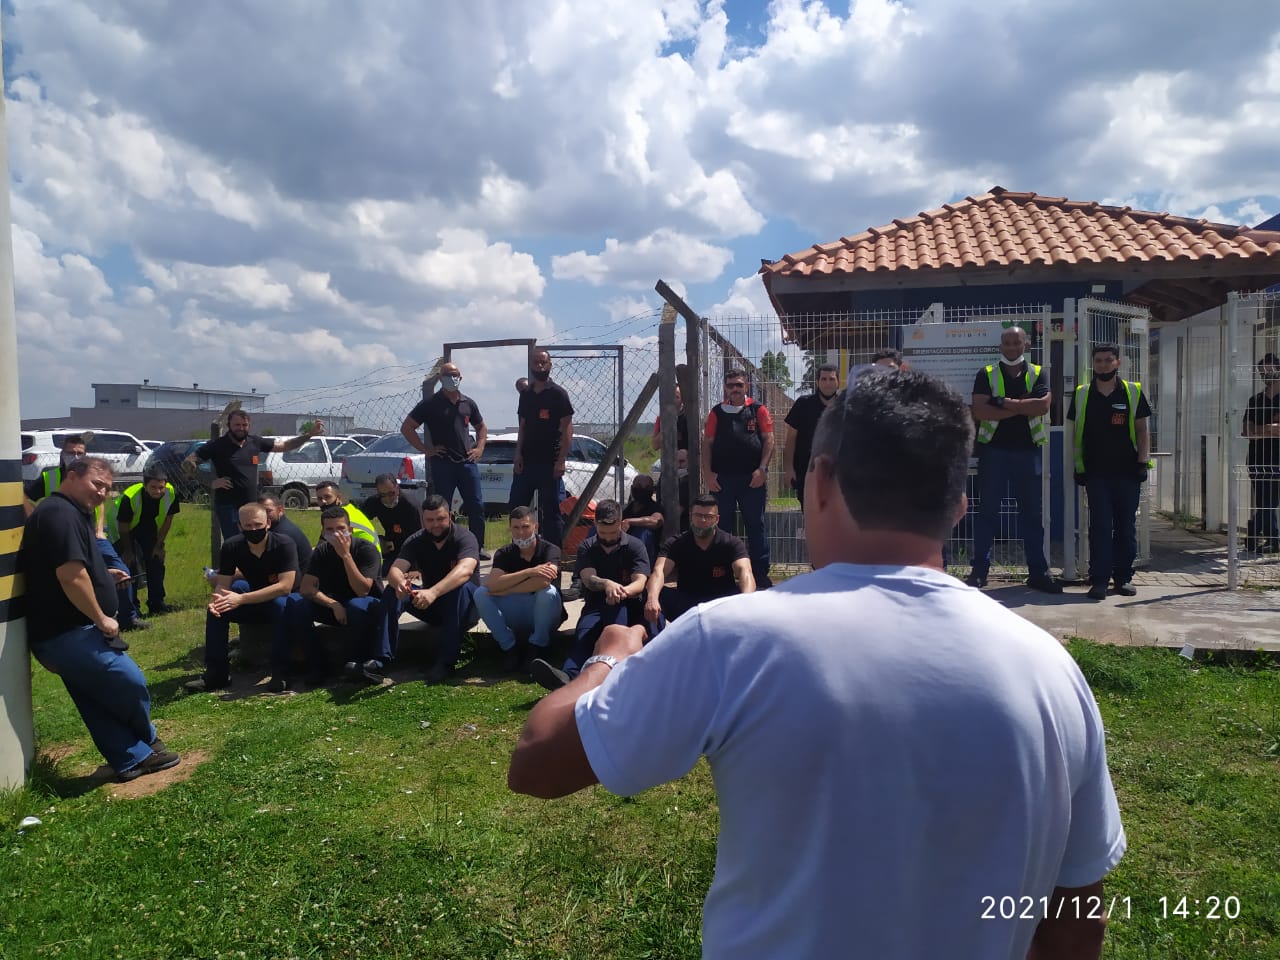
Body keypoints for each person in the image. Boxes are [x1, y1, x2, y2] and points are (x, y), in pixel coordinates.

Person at [509, 369, 1126, 960]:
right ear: (960, 504)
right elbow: (1077, 918)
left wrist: (607, 660)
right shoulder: (1050, 670)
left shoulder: (731, 639)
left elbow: (538, 762)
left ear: (821, 480)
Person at [18, 457, 180, 781]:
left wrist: (103, 574)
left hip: (65, 630)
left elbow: (69, 565)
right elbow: (69, 576)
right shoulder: (59, 514)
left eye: (107, 488)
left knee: (94, 698)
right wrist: (102, 618)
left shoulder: (72, 513)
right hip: (66, 630)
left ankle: (131, 759)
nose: (102, 493)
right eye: (96, 484)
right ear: (72, 476)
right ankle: (149, 741)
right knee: (129, 680)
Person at [967, 325, 1060, 593]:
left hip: (1027, 452)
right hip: (993, 452)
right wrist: (1022, 406)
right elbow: (980, 411)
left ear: (1026, 345)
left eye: (1016, 342)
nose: (1011, 347)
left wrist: (1002, 402)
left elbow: (1042, 407)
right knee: (987, 513)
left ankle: (1038, 573)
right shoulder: (986, 373)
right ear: (1000, 346)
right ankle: (979, 572)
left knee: (1031, 515)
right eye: (1006, 343)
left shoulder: (1039, 372)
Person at [26, 433, 144, 631]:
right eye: (70, 452)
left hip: (93, 535)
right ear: (62, 454)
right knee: (75, 571)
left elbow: (100, 502)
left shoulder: (92, 476)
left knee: (121, 570)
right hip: (66, 533)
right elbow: (23, 495)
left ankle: (128, 617)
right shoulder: (50, 479)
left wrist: (99, 529)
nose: (75, 456)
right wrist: (33, 516)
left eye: (80, 453)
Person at [529, 500, 648, 691]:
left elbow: (640, 582)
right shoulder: (587, 546)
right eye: (603, 532)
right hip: (596, 604)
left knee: (613, 636)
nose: (608, 537)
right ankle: (567, 677)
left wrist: (620, 591)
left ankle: (608, 678)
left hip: (627, 604)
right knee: (584, 636)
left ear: (621, 523)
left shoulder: (635, 546)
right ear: (595, 524)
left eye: (613, 532)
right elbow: (588, 578)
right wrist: (607, 584)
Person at [1068, 344, 1154, 601]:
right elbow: (1076, 434)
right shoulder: (1082, 394)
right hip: (1096, 474)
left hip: (1127, 473)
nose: (1103, 365)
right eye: (1099, 360)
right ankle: (1099, 581)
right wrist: (1079, 468)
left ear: (1118, 363)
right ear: (1093, 364)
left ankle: (1123, 578)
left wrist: (1142, 462)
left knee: (1125, 528)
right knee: (1100, 528)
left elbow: (1142, 430)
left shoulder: (1132, 391)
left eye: (1108, 360)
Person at [185, 503, 299, 693]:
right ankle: (217, 673)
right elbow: (223, 584)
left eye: (258, 525)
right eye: (248, 526)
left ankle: (281, 672)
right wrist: (217, 600)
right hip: (254, 597)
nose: (253, 530)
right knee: (217, 610)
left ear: (268, 523)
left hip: (283, 599)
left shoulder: (284, 544)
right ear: (240, 527)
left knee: (281, 606)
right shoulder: (231, 546)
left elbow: (285, 587)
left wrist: (241, 599)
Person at [283, 506, 389, 685]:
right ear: (323, 532)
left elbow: (362, 590)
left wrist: (346, 556)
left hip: (366, 606)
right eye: (330, 530)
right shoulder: (322, 552)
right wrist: (333, 604)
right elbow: (306, 588)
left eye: (341, 528)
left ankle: (359, 663)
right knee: (296, 602)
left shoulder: (366, 549)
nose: (336, 534)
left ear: (350, 530)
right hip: (336, 606)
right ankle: (317, 664)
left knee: (356, 605)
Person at [386, 494, 481, 683]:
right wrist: (400, 583)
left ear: (450, 516)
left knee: (460, 587)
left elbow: (466, 570)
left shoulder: (465, 537)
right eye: (429, 520)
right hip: (432, 605)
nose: (435, 524)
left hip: (465, 608)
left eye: (440, 519)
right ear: (422, 520)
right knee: (392, 591)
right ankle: (381, 658)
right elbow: (395, 570)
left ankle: (446, 662)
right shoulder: (416, 540)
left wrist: (433, 592)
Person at [185, 411, 324, 538]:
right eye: (237, 425)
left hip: (252, 505)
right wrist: (210, 481)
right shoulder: (217, 445)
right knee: (235, 544)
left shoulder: (255, 442)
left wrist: (309, 434)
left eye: (244, 425)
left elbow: (285, 446)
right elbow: (187, 463)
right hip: (228, 507)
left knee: (255, 542)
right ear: (229, 426)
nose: (241, 428)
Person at [400, 360, 489, 555]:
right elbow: (407, 427)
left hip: (467, 462)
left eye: (455, 375)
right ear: (440, 378)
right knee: (442, 508)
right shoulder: (430, 404)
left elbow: (481, 427)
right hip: (443, 463)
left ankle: (477, 546)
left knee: (476, 506)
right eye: (448, 375)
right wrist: (426, 449)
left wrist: (480, 447)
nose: (452, 378)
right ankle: (445, 545)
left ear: (460, 378)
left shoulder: (468, 403)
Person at [702, 368, 774, 587]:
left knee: (755, 525)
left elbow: (769, 439)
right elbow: (707, 444)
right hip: (722, 480)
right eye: (731, 385)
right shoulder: (716, 413)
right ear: (725, 388)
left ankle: (759, 573)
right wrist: (707, 474)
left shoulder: (758, 410)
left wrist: (762, 469)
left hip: (752, 480)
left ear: (746, 387)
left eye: (739, 385)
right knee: (721, 526)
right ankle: (721, 573)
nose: (735, 389)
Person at [473, 506, 562, 674]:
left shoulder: (550, 550)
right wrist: (529, 572)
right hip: (517, 610)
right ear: (510, 528)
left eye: (525, 527)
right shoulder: (504, 552)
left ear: (535, 526)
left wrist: (507, 589)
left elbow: (543, 581)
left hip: (545, 612)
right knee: (481, 594)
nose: (521, 532)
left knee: (547, 592)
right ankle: (509, 648)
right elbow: (492, 585)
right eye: (516, 527)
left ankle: (537, 646)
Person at [644, 494, 753, 628]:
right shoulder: (676, 543)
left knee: (748, 594)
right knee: (653, 593)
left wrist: (747, 602)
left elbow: (745, 571)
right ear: (691, 516)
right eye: (698, 515)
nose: (702, 520)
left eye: (708, 516)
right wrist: (652, 599)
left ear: (717, 519)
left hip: (721, 604)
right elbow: (659, 571)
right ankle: (659, 637)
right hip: (688, 605)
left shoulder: (731, 543)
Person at [510, 348, 574, 547]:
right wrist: (518, 455)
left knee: (551, 512)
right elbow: (522, 427)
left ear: (550, 365)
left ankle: (552, 554)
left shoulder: (558, 394)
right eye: (536, 362)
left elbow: (567, 429)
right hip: (527, 463)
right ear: (530, 366)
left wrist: (561, 460)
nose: (539, 366)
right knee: (517, 508)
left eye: (543, 362)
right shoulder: (526, 394)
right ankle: (519, 549)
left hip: (549, 464)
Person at [109, 467, 179, 616]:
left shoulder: (170, 493)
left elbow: (168, 520)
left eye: (161, 487)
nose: (158, 491)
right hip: (122, 529)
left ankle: (157, 604)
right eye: (153, 487)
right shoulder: (130, 497)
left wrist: (159, 545)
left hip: (147, 526)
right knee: (129, 565)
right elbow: (123, 527)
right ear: (145, 486)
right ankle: (133, 608)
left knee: (156, 560)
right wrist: (128, 551)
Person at [784, 363, 839, 508]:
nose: (828, 383)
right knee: (810, 516)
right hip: (807, 472)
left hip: (838, 475)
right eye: (823, 379)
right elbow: (790, 439)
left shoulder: (845, 406)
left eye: (832, 379)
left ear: (838, 382)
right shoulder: (803, 404)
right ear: (817, 382)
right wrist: (789, 468)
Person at [1243, 353, 1280, 553]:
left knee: (1270, 501)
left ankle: (1255, 532)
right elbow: (1247, 432)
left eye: (1269, 371)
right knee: (1265, 502)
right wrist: (1269, 429)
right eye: (1262, 372)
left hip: (1278, 458)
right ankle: (1272, 540)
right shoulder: (1256, 400)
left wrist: (1260, 430)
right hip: (1257, 458)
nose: (1265, 375)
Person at [360, 474, 423, 574]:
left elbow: (421, 538)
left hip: (410, 552)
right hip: (389, 550)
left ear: (397, 488)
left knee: (384, 571)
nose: (388, 498)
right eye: (383, 495)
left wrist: (416, 568)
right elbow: (359, 522)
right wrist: (377, 539)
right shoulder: (373, 503)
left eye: (391, 493)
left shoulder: (410, 506)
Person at [315, 481, 381, 556]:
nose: (323, 501)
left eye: (327, 497)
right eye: (319, 499)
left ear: (339, 498)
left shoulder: (340, 518)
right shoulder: (347, 509)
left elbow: (320, 551)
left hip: (368, 558)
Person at [258, 493, 313, 569]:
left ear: (280, 510)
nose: (264, 515)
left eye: (268, 511)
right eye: (260, 511)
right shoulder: (278, 526)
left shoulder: (282, 534)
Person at [621, 474, 663, 565]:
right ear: (632, 488)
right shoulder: (625, 509)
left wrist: (630, 522)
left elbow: (657, 521)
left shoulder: (655, 508)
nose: (642, 490)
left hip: (646, 555)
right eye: (639, 486)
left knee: (643, 532)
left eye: (647, 487)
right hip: (622, 548)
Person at [651, 384, 689, 453]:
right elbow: (655, 445)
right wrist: (667, 426)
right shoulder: (661, 418)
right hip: (668, 456)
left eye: (677, 397)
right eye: (670, 397)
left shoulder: (688, 417)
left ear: (682, 400)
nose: (673, 400)